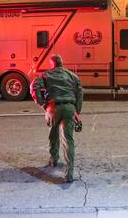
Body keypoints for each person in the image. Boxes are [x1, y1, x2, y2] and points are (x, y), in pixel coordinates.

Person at [30, 54, 83, 183]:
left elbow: (33, 87)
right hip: (70, 107)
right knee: (68, 140)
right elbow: (79, 92)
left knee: (53, 134)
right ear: (62, 63)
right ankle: (69, 173)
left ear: (52, 63)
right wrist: (77, 111)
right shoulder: (72, 76)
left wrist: (42, 103)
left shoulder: (46, 75)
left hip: (53, 107)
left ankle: (54, 160)